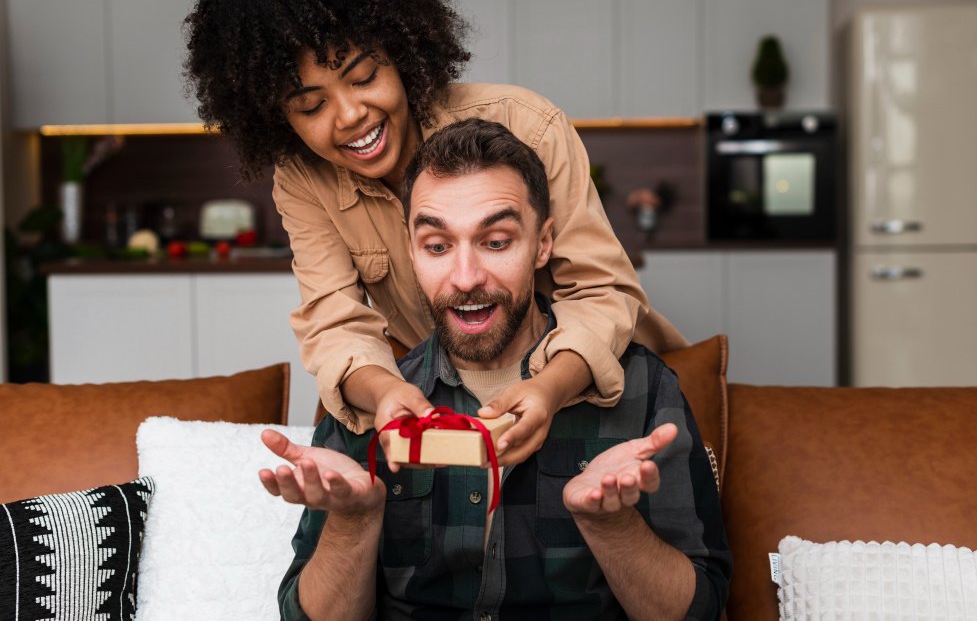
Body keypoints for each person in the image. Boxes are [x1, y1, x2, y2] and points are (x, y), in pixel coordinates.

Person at [184, 0, 689, 465]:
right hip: (450, 400)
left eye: (363, 77)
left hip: (597, 386)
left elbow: (601, 289)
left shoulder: (525, 124)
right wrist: (383, 392)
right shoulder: (302, 179)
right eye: (312, 106)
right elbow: (335, 324)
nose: (351, 114)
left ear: (400, 54)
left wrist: (551, 387)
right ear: (278, 120)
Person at [259, 119, 731, 620]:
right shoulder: (373, 402)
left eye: (497, 241)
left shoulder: (642, 388)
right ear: (412, 251)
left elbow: (699, 610)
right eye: (437, 247)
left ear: (543, 244)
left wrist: (612, 525)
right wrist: (353, 520)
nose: (465, 279)